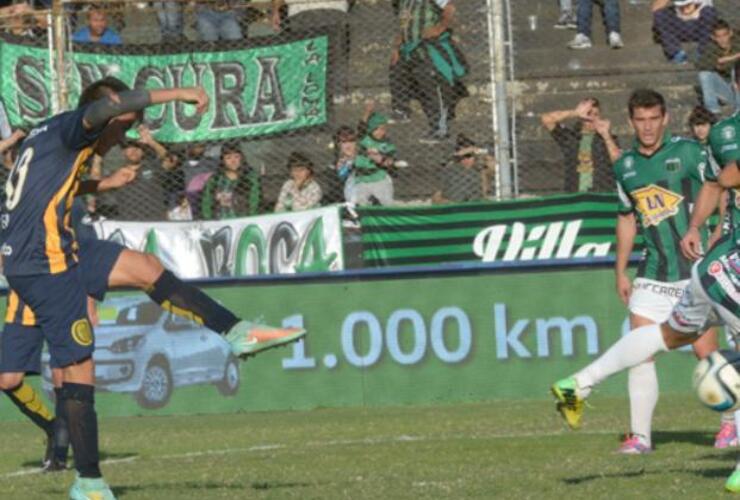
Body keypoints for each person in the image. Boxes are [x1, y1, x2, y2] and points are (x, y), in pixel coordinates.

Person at [0, 77, 305, 499]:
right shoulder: (78, 126)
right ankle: (88, 481)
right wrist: (181, 93)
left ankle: (235, 332)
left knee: (145, 267)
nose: (123, 135)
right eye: (125, 126)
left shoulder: (50, 132)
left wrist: (102, 185)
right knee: (77, 367)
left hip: (57, 250)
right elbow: (109, 109)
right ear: (108, 110)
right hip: (43, 264)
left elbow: (49, 187)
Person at [550, 89, 722, 455]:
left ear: (665, 119)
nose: (647, 127)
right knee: (641, 353)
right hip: (653, 271)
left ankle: (729, 426)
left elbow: (720, 192)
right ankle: (640, 437)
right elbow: (627, 218)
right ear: (631, 122)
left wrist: (715, 233)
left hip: (695, 271)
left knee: (707, 353)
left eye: (653, 119)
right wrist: (620, 271)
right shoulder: (625, 165)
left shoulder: (689, 152)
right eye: (640, 120)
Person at [390, 0, 468, 143]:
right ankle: (401, 111)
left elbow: (450, 8)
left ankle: (440, 130)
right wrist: (396, 48)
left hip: (430, 50)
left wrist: (439, 27)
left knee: (434, 88)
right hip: (411, 51)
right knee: (403, 76)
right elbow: (404, 26)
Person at [270, 0, 350, 99]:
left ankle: (310, 93)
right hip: (333, 6)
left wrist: (275, 11)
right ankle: (336, 92)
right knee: (335, 51)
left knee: (306, 53)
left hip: (301, 8)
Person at [540, 97, 621, 193]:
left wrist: (606, 135)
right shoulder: (571, 137)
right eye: (588, 113)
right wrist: (574, 112)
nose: (591, 118)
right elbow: (546, 119)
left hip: (601, 194)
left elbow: (618, 161)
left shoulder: (607, 139)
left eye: (595, 114)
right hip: (575, 195)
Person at [201, 144, 261, 219]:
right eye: (228, 158)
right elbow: (206, 203)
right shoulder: (215, 180)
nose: (233, 161)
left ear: (242, 158)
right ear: (222, 160)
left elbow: (254, 203)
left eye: (236, 156)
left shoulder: (250, 178)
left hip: (243, 221)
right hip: (220, 221)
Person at [432, 134, 495, 204]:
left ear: (475, 155)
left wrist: (475, 149)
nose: (465, 160)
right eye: (461, 158)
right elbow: (436, 197)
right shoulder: (453, 170)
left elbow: (494, 165)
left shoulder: (483, 169)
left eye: (468, 156)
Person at [695, 19, 740, 116]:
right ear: (713, 37)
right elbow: (701, 65)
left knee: (736, 69)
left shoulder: (737, 42)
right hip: (728, 90)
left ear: (730, 33)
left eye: (725, 35)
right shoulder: (711, 48)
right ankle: (713, 111)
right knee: (704, 74)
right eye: (718, 36)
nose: (723, 39)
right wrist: (733, 58)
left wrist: (723, 61)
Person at [651, 0, 716, 64]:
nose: (685, 8)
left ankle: (702, 53)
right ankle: (676, 54)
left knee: (709, 13)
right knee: (659, 15)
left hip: (699, 27)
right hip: (680, 26)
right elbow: (655, 9)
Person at [352, 112, 396, 206]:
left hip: (378, 176)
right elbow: (361, 127)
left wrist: (382, 160)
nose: (380, 132)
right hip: (362, 178)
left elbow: (390, 160)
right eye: (376, 129)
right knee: (361, 203)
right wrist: (366, 112)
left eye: (383, 129)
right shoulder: (364, 139)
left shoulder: (387, 143)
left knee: (386, 202)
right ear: (370, 129)